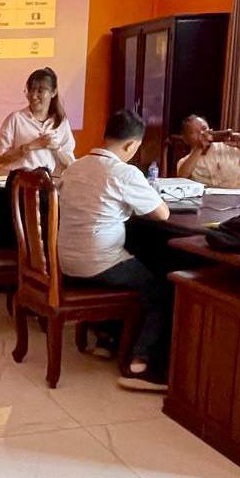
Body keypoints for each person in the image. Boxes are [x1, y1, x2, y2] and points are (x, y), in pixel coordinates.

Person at [58, 109, 172, 392]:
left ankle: (107, 339)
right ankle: (141, 364)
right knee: (161, 287)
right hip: (99, 264)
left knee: (135, 259)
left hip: (66, 261)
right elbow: (162, 214)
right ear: (132, 145)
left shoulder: (75, 167)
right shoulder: (123, 172)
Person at [0, 67, 76, 173]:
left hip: (49, 180)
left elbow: (69, 163)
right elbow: (1, 159)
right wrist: (29, 147)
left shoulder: (61, 122)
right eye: (31, 90)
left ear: (53, 92)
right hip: (18, 180)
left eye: (40, 91)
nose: (33, 96)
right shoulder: (16, 119)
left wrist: (56, 148)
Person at [175, 115, 240, 188]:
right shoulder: (186, 162)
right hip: (207, 202)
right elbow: (181, 179)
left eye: (204, 128)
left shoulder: (231, 146)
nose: (202, 133)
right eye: (194, 132)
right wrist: (199, 148)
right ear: (186, 139)